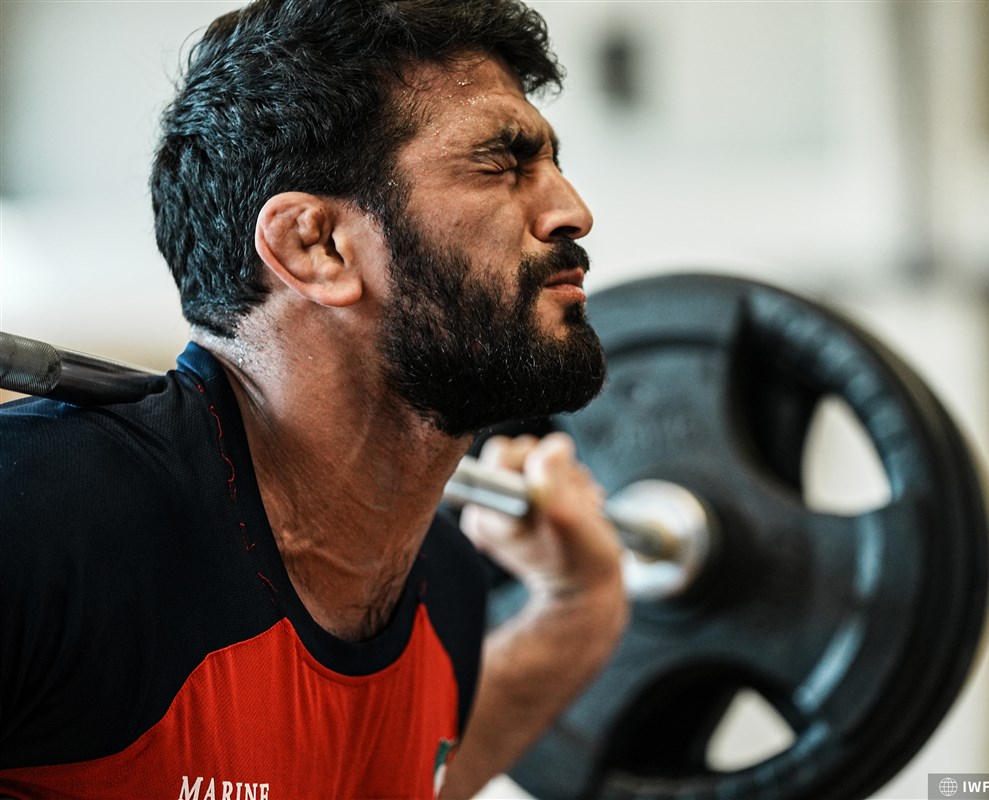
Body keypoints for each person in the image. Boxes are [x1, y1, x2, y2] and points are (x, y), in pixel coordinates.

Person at [0, 0, 628, 797]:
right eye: (501, 164)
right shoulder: (39, 522)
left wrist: (580, 602)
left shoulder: (443, 588)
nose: (573, 211)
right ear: (316, 246)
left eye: (553, 164)